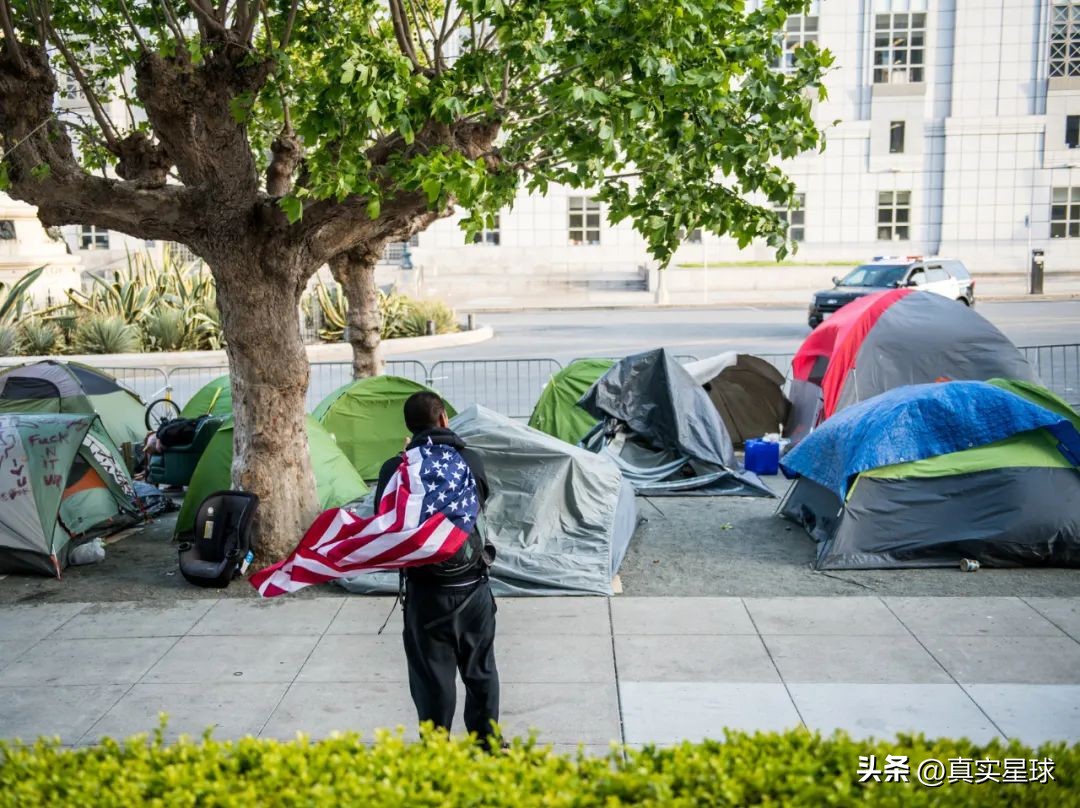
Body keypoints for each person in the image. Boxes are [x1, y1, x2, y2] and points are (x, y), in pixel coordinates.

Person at [373, 392, 499, 744]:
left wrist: (407, 464)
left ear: (409, 428)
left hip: (424, 593)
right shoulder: (470, 461)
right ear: (444, 419)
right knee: (481, 670)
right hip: (473, 588)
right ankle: (486, 746)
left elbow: (385, 522)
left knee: (432, 679)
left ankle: (436, 752)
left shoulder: (395, 469)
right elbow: (479, 503)